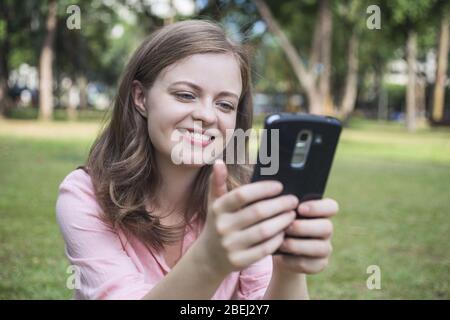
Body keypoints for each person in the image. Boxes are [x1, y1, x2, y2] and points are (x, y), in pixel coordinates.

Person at [56, 19, 338, 300]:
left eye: (225, 104)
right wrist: (211, 259)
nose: (207, 115)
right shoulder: (84, 196)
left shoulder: (244, 200)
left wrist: (287, 270)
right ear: (140, 97)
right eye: (186, 95)